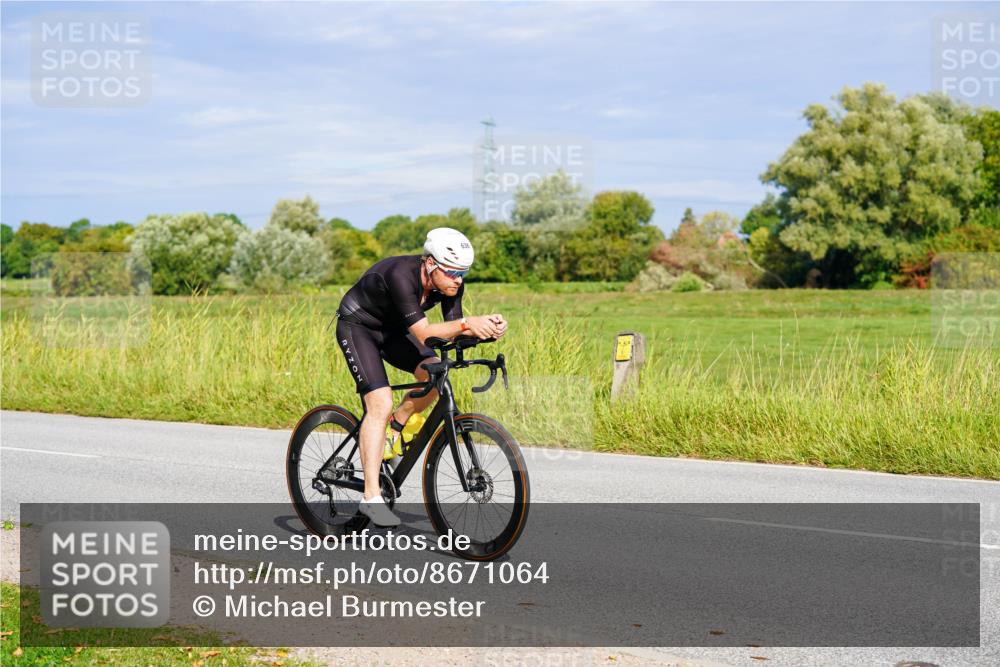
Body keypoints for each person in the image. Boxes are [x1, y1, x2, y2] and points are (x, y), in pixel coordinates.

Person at [335, 227, 508, 526]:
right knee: (379, 402)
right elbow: (426, 333)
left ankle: (395, 429)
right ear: (430, 264)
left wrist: (486, 332)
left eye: (464, 272)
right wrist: (469, 323)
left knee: (434, 377)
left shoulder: (452, 285)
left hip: (393, 331)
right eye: (453, 272)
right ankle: (371, 497)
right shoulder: (401, 276)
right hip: (358, 326)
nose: (459, 279)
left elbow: (451, 332)